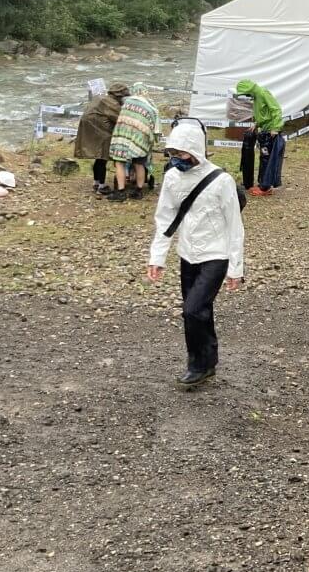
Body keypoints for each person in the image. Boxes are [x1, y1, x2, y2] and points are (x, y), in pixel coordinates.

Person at [147, 121, 245, 389]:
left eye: (181, 154)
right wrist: (157, 257)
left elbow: (235, 225)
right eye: (172, 154)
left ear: (195, 150)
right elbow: (165, 218)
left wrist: (236, 268)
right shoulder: (171, 178)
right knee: (199, 310)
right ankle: (207, 361)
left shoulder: (221, 181)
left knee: (192, 310)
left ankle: (197, 367)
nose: (177, 159)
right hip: (187, 253)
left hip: (216, 254)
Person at [74, 83, 128, 194]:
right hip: (102, 131)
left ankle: (96, 182)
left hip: (92, 130)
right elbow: (121, 118)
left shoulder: (101, 98)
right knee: (102, 158)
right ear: (119, 95)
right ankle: (102, 187)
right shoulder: (112, 103)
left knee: (98, 159)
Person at [108, 83, 158, 202]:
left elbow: (121, 119)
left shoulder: (127, 102)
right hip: (141, 138)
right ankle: (139, 190)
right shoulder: (151, 106)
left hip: (123, 136)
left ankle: (121, 192)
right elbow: (155, 126)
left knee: (119, 163)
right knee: (139, 164)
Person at [235, 79, 284, 197]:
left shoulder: (263, 93)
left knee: (267, 159)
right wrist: (256, 123)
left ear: (249, 89)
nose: (246, 96)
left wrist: (276, 127)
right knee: (264, 158)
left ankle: (265, 187)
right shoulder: (256, 96)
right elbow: (263, 113)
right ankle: (263, 184)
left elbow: (276, 109)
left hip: (270, 132)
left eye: (245, 93)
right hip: (265, 131)